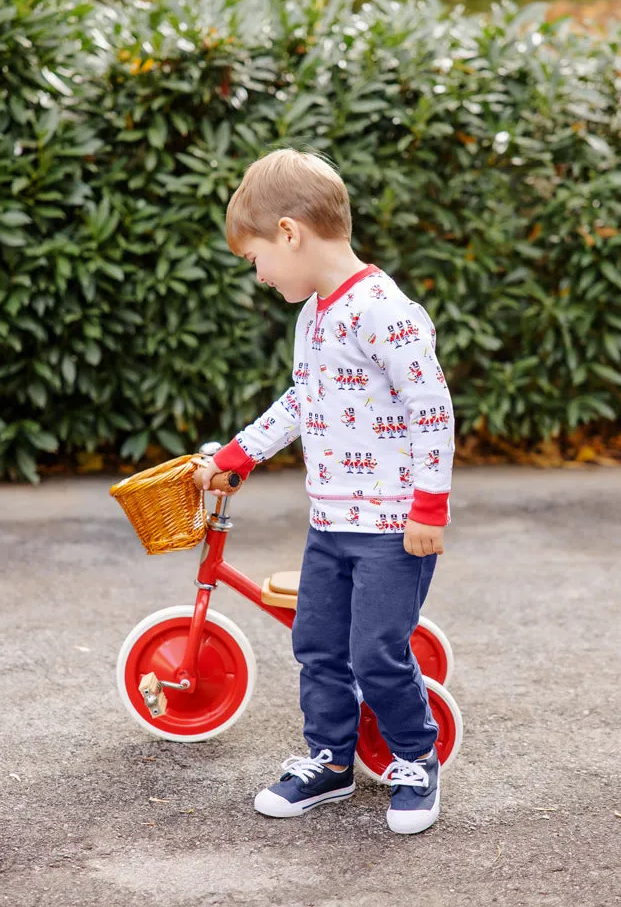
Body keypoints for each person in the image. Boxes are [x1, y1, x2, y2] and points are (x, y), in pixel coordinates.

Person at [196, 148, 454, 835]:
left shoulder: (382, 309)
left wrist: (429, 506)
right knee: (316, 644)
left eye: (256, 259)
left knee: (376, 649)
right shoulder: (313, 315)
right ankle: (330, 759)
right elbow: (300, 401)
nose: (259, 275)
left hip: (392, 527)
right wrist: (236, 455)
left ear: (289, 232)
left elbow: (430, 406)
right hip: (331, 522)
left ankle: (414, 759)